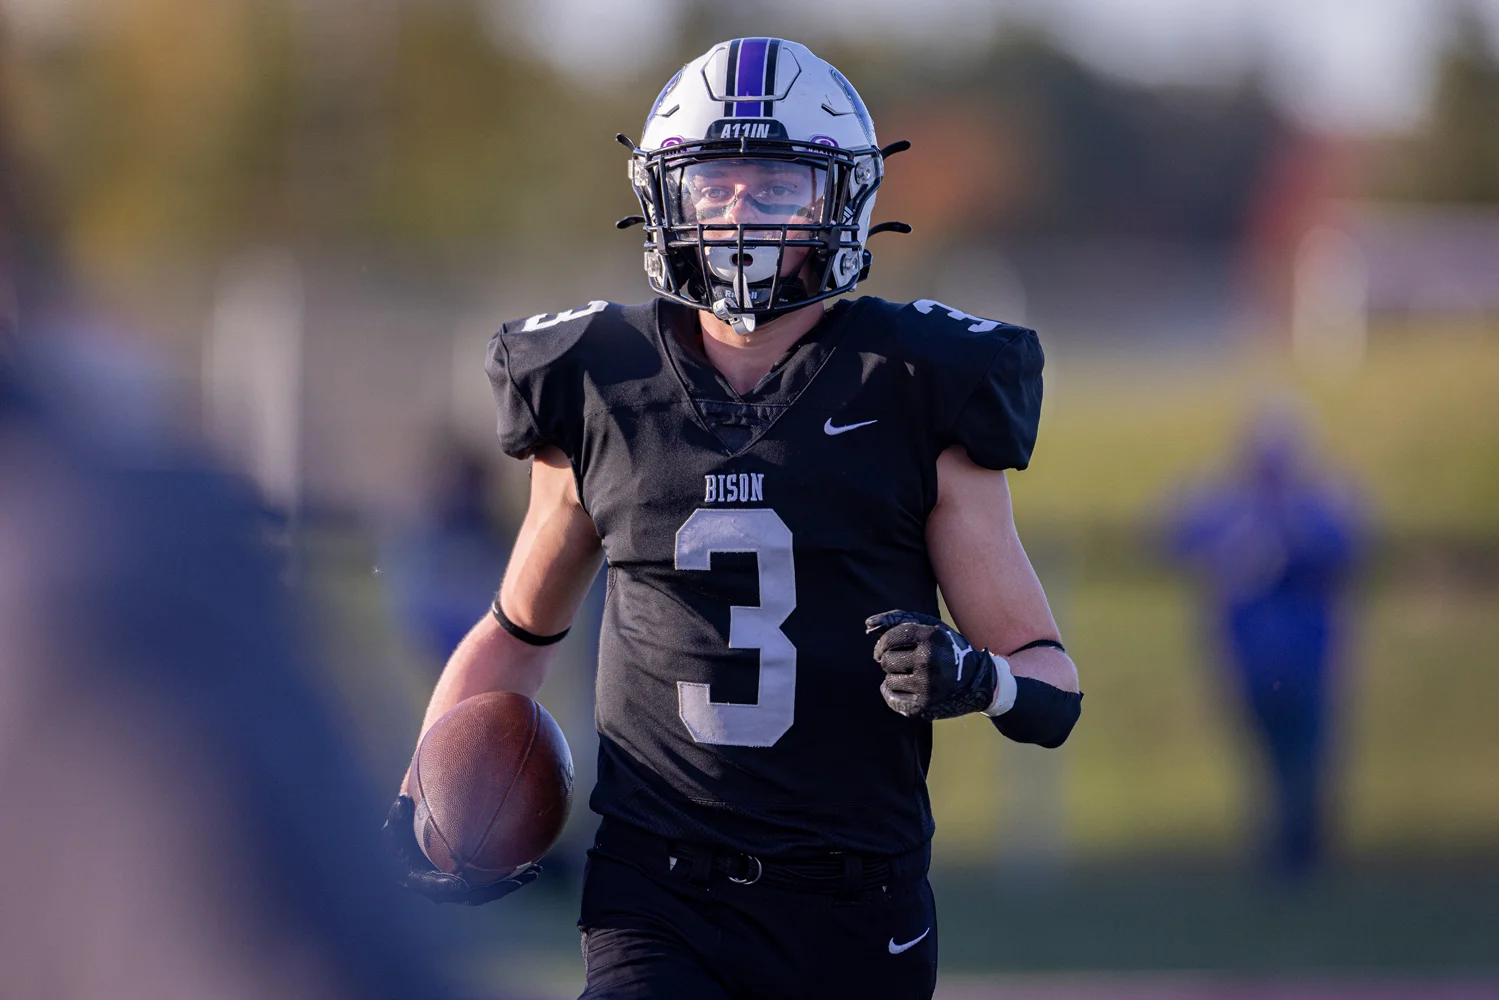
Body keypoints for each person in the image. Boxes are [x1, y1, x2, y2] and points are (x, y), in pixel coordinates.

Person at [385, 38, 1083, 1000]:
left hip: (854, 904)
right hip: (656, 897)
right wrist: (421, 801)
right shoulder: (598, 381)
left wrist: (978, 680)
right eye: (714, 183)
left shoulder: (919, 384)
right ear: (667, 197)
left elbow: (1051, 682)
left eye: (775, 185)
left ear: (838, 201)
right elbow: (515, 634)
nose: (740, 211)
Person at [1168, 403, 1360, 881]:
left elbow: (1346, 546)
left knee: (1308, 764)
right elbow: (1175, 537)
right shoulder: (1230, 508)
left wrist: (1287, 533)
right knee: (1268, 764)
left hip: (1308, 664)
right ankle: (1280, 853)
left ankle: (1304, 854)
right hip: (1249, 666)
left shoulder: (1318, 507)